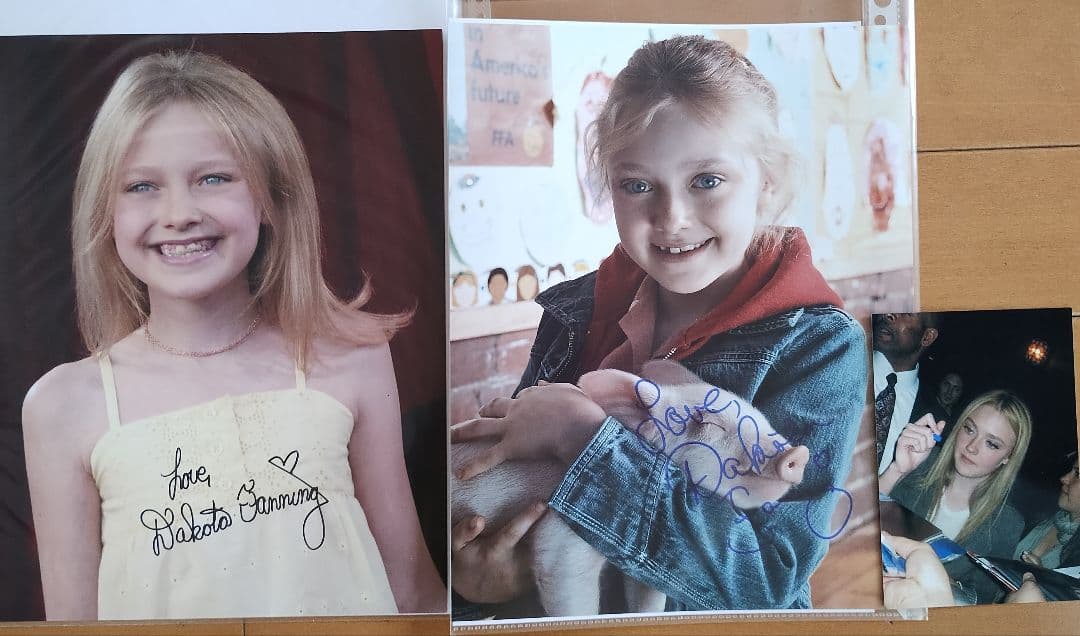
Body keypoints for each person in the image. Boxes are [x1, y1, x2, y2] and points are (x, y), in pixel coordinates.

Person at [21, 51, 445, 620]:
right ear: (105, 214)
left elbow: (414, 593)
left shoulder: (353, 358)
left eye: (213, 178)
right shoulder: (63, 406)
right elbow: (72, 629)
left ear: (272, 196)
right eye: (141, 186)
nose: (179, 213)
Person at [451, 35, 865, 614]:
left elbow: (767, 577)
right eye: (638, 184)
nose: (671, 217)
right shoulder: (577, 310)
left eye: (707, 180)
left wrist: (582, 436)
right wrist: (477, 586)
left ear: (767, 181)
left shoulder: (820, 347)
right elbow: (512, 491)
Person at [878, 390, 1032, 603]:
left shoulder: (1006, 524)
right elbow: (856, 519)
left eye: (992, 443)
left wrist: (945, 583)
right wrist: (897, 470)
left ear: (1008, 457)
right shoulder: (920, 464)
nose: (971, 447)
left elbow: (983, 598)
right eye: (969, 429)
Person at [872, 312, 947, 474]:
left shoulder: (935, 421)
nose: (888, 314)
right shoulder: (838, 363)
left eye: (906, 312)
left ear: (927, 337)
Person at [1015, 458, 1080, 570]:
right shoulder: (1041, 514)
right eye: (1072, 470)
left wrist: (1043, 578)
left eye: (1078, 474)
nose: (1064, 479)